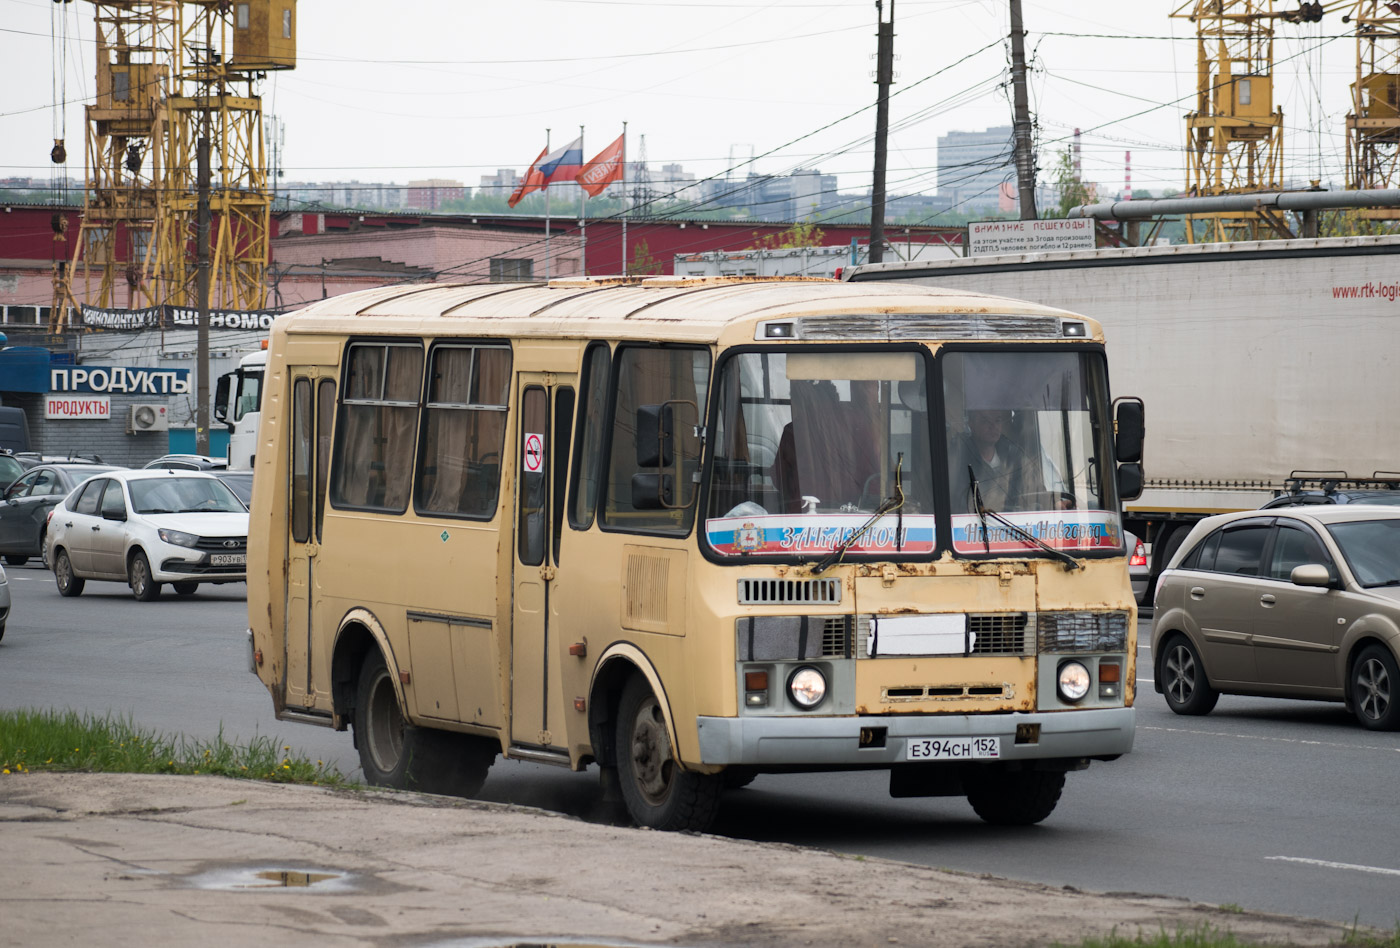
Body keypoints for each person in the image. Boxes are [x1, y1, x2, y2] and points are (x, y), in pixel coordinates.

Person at [950, 408, 1047, 513]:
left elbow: (1035, 490)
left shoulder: (1015, 456)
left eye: (998, 420)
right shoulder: (959, 458)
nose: (993, 426)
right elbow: (955, 504)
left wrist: (1055, 503)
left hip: (1016, 526)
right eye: (985, 421)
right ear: (971, 424)